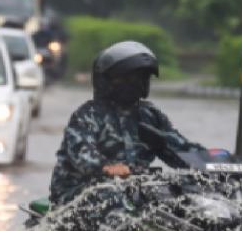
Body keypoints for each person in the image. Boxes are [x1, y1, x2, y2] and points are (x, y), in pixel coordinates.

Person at [50, 41, 205, 207]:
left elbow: (181, 147)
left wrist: (214, 162)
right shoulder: (88, 115)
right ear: (107, 80)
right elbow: (81, 153)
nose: (137, 82)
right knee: (115, 197)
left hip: (133, 189)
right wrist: (107, 167)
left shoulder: (150, 116)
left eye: (142, 77)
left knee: (191, 195)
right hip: (80, 193)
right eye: (130, 78)